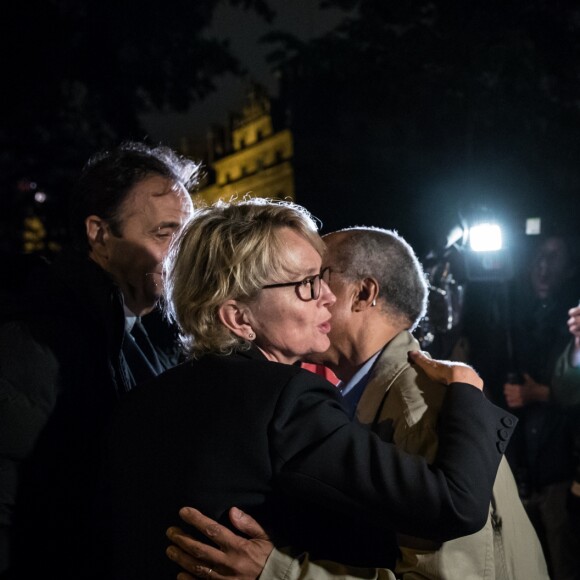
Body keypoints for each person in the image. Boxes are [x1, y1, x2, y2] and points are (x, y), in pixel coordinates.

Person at [103, 198, 517, 579]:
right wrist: (468, 391)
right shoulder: (287, 398)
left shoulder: (144, 399)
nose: (326, 298)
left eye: (321, 277)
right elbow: (455, 504)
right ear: (238, 318)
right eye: (305, 284)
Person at [0, 141, 198, 578]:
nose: (183, 255)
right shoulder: (37, 339)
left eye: (188, 236)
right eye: (164, 234)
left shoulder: (149, 334)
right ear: (99, 233)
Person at [461, 231, 580, 579]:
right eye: (539, 257)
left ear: (570, 268)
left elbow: (568, 387)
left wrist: (540, 394)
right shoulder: (510, 311)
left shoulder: (570, 318)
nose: (543, 267)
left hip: (559, 461)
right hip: (517, 456)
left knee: (562, 558)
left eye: (554, 258)